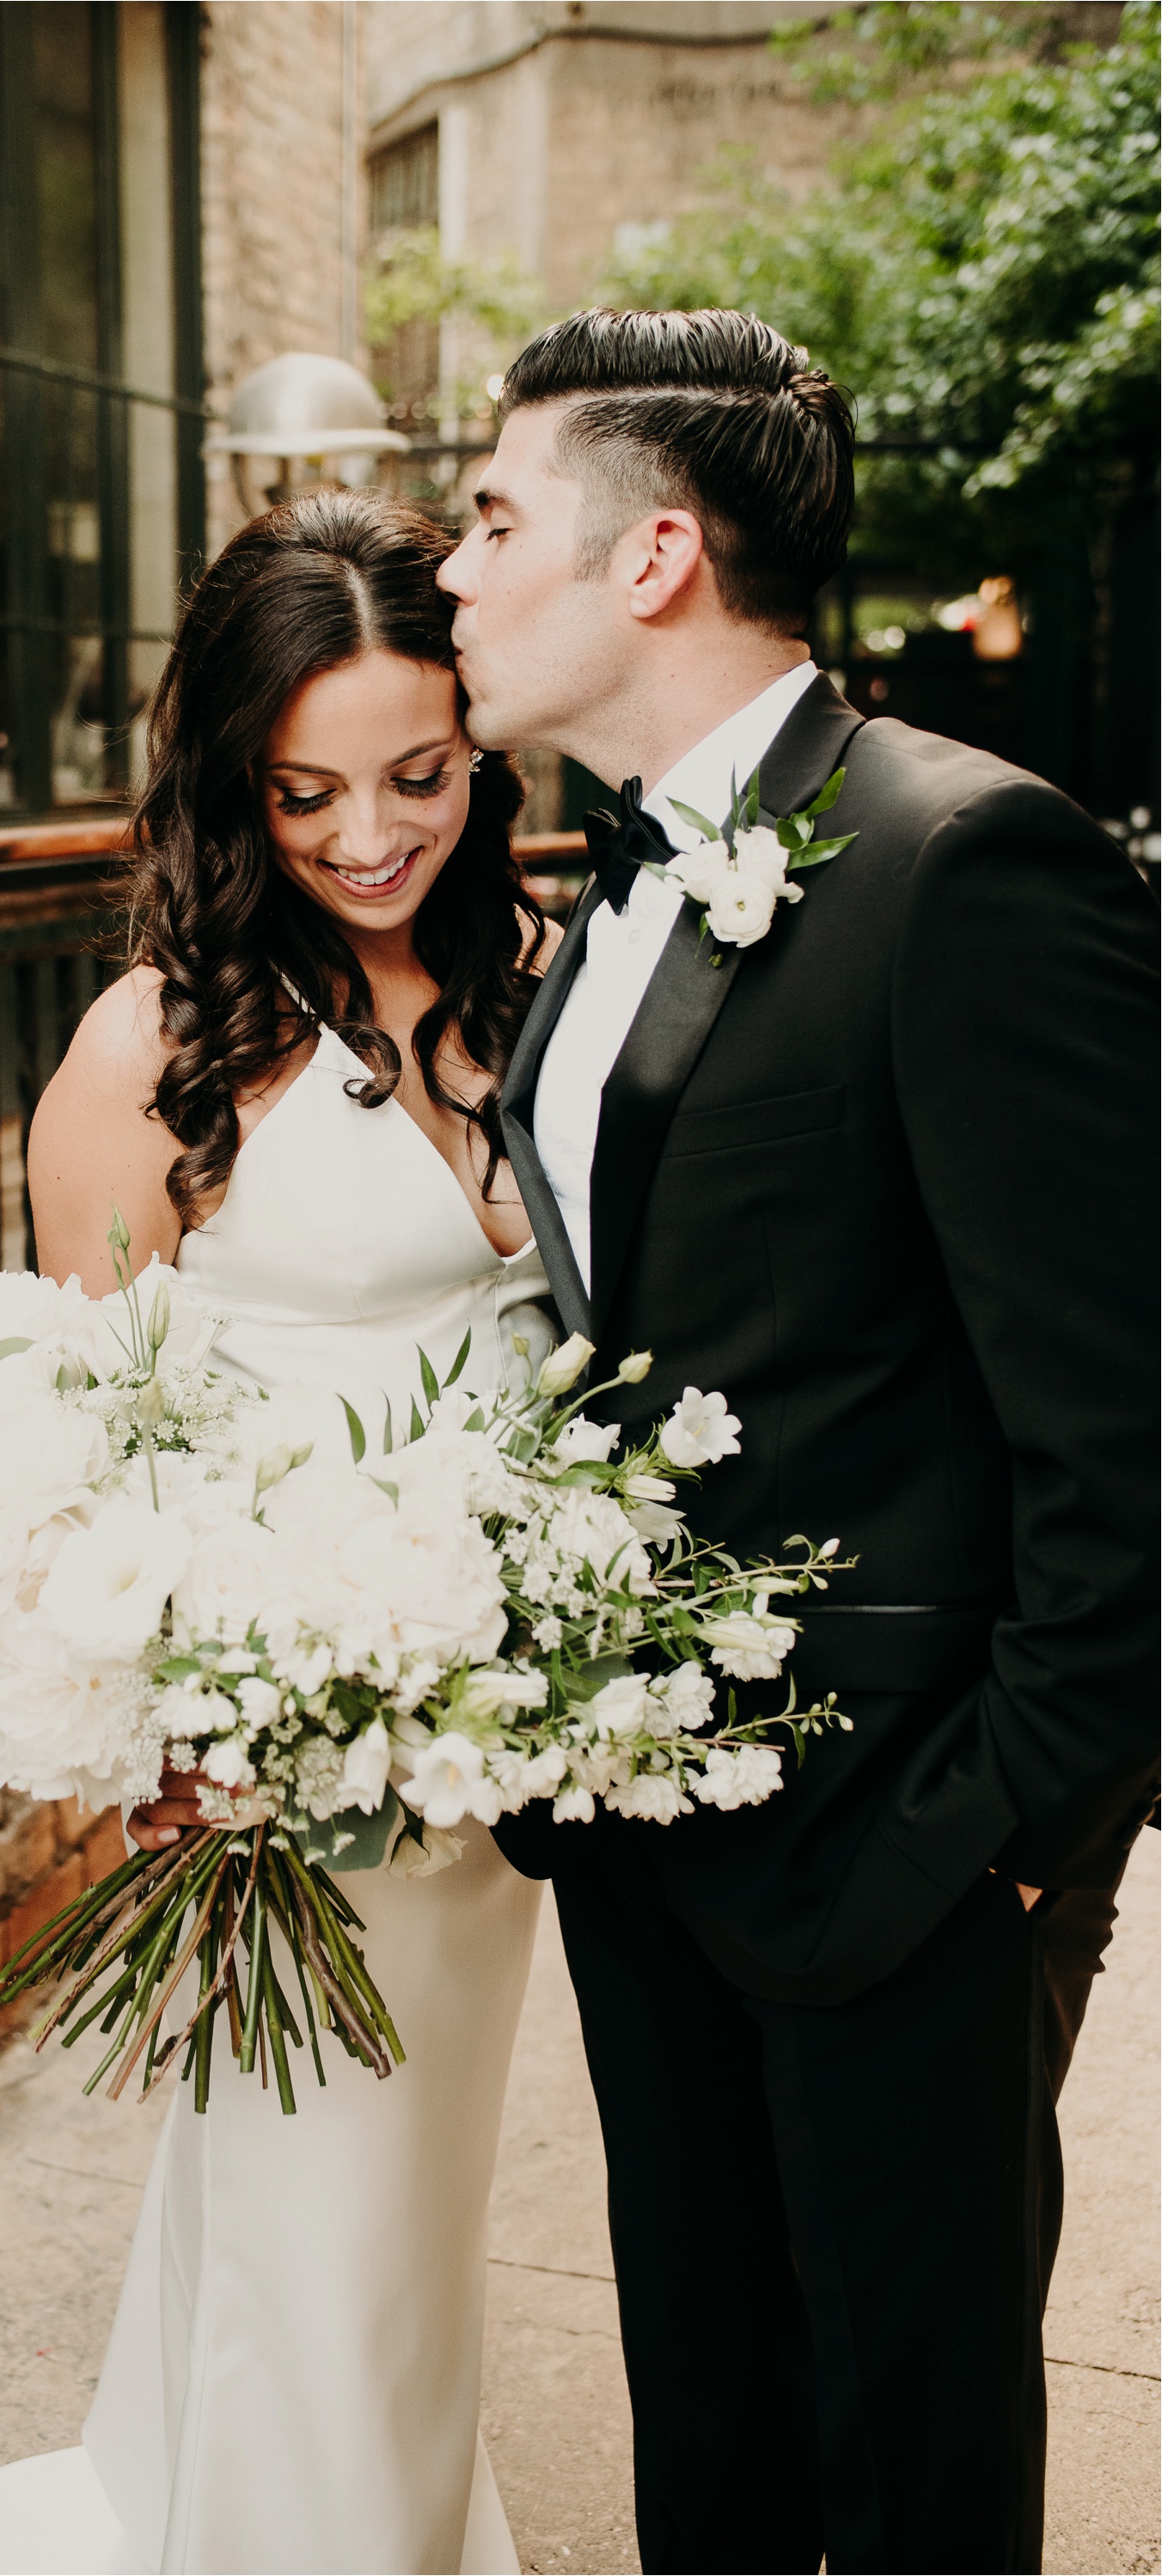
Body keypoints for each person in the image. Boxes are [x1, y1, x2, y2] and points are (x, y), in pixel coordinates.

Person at [437, 305, 1159, 2576]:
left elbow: (1123, 1440)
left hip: (891, 1860)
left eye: (483, 519)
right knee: (715, 2444)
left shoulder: (970, 863)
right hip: (639, 1839)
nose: (445, 572)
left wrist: (989, 1848)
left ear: (652, 555)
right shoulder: (606, 883)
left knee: (911, 2472)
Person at [0, 490, 562, 2576]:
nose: (371, 835)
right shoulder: (158, 1047)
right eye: (305, 793)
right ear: (229, 784)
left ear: (478, 744)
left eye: (417, 775)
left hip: (501, 1726)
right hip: (277, 1743)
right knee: (319, 2193)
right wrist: (165, 1728)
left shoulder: (543, 981)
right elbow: (86, 1437)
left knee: (405, 2202)